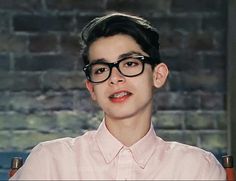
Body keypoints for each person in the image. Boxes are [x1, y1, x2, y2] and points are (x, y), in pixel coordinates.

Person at [10, 12, 226, 180]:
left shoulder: (196, 168)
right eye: (101, 69)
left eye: (130, 64)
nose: (115, 78)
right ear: (92, 88)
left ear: (158, 75)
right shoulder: (50, 161)